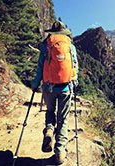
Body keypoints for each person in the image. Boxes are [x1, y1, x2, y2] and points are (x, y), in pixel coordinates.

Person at [31, 21, 78, 165]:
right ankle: (59, 153)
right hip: (65, 88)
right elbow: (75, 66)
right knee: (63, 119)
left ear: (52, 31)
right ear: (64, 32)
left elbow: (40, 68)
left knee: (50, 111)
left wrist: (34, 85)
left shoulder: (46, 46)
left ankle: (49, 131)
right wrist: (74, 83)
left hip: (48, 87)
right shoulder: (70, 46)